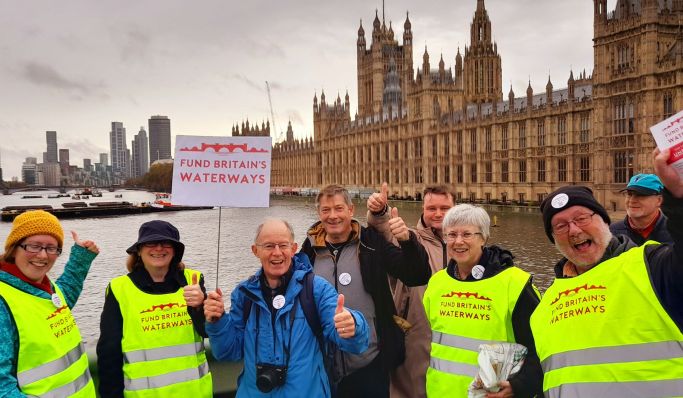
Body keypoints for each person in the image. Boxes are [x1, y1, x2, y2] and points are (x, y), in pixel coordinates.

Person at [531, 148, 683, 397]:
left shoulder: (652, 267)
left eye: (582, 218)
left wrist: (678, 198)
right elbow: (552, 370)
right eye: (560, 226)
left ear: (605, 221)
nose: (574, 230)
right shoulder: (545, 305)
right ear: (553, 239)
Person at [204, 218, 369, 397]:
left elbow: (355, 344)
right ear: (255, 250)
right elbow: (228, 352)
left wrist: (353, 325)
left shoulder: (316, 289)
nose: (277, 253)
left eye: (283, 245)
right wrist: (217, 321)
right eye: (268, 246)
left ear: (293, 248)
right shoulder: (243, 295)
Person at [300, 184, 431, 397]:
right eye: (326, 210)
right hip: (322, 366)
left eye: (338, 208)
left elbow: (416, 275)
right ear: (319, 213)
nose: (333, 216)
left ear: (351, 210)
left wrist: (407, 241)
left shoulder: (371, 243)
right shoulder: (309, 250)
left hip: (369, 363)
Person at [422, 204, 543, 398]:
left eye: (467, 234)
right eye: (451, 235)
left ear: (484, 238)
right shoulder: (437, 283)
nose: (458, 241)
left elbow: (542, 346)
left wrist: (520, 386)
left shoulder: (515, 283)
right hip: (440, 392)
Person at [97, 220, 212, 397]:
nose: (159, 248)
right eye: (151, 243)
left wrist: (200, 306)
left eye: (166, 243)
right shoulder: (120, 289)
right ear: (139, 250)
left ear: (175, 251)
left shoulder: (193, 280)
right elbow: (109, 353)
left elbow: (207, 331)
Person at [367, 183, 454, 398]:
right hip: (415, 331)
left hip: (455, 331)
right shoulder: (406, 235)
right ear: (422, 209)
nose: (438, 213)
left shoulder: (463, 243)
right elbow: (383, 230)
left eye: (445, 208)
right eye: (432, 208)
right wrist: (379, 212)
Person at [0, 210, 99, 397]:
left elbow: (64, 296)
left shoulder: (46, 288)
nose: (43, 256)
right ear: (14, 248)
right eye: (34, 246)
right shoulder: (3, 301)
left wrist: (81, 258)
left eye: (51, 248)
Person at [609, 173, 673, 244]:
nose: (632, 200)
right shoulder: (611, 232)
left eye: (640, 195)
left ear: (659, 200)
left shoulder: (676, 232)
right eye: (629, 194)